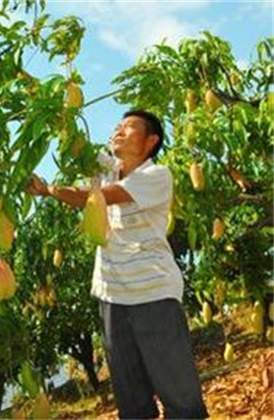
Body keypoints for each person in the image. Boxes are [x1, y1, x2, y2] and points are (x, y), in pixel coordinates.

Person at [26, 110, 209, 419]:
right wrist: (40, 94)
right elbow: (74, 137)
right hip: (112, 295)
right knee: (132, 402)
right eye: (117, 125)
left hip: (152, 293)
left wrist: (49, 190)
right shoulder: (108, 169)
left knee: (180, 399)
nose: (118, 130)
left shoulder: (156, 175)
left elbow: (92, 198)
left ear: (151, 141)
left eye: (129, 127)